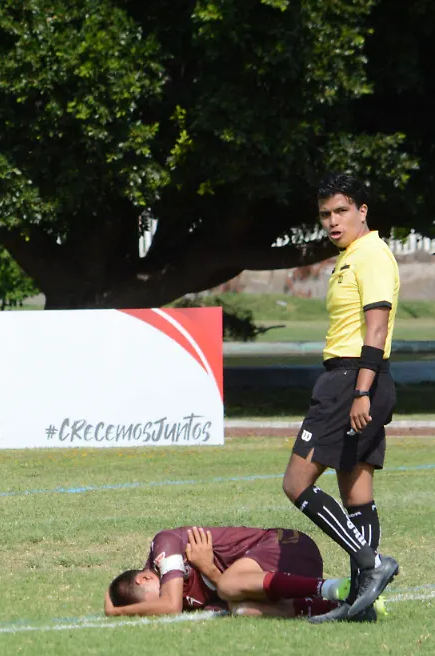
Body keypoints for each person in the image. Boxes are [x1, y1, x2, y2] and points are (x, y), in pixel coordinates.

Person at [280, 173, 400, 622]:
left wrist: (361, 391)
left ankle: (371, 564)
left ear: (362, 211)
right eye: (325, 214)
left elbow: (377, 329)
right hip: (355, 378)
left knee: (296, 483)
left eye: (341, 211)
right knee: (357, 493)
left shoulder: (371, 255)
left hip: (353, 379)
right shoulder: (350, 256)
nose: (332, 221)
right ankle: (361, 606)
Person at [105, 526, 384, 621]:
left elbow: (170, 605)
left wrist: (115, 612)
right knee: (242, 609)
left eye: (154, 599)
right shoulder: (190, 599)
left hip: (288, 545)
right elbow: (232, 593)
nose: (164, 598)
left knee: (228, 586)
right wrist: (211, 571)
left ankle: (338, 586)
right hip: (283, 578)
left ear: (144, 578)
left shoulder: (164, 545)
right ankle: (346, 606)